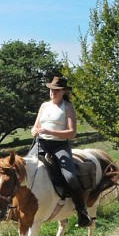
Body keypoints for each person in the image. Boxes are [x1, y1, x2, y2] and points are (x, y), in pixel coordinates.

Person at [31, 76, 91, 227]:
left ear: (64, 91)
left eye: (56, 90)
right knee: (22, 168)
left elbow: (71, 133)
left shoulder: (68, 107)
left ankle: (81, 211)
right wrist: (35, 131)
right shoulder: (44, 106)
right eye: (51, 89)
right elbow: (34, 126)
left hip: (59, 146)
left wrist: (49, 130)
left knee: (70, 177)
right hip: (41, 143)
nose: (53, 92)